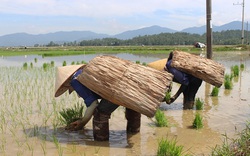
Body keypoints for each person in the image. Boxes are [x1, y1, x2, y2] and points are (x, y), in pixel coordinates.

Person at [54, 64, 141, 141]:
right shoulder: (85, 72)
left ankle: (102, 143)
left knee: (100, 114)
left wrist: (82, 122)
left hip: (116, 92)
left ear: (65, 82)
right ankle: (135, 134)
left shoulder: (75, 80)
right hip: (130, 88)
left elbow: (93, 104)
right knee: (131, 105)